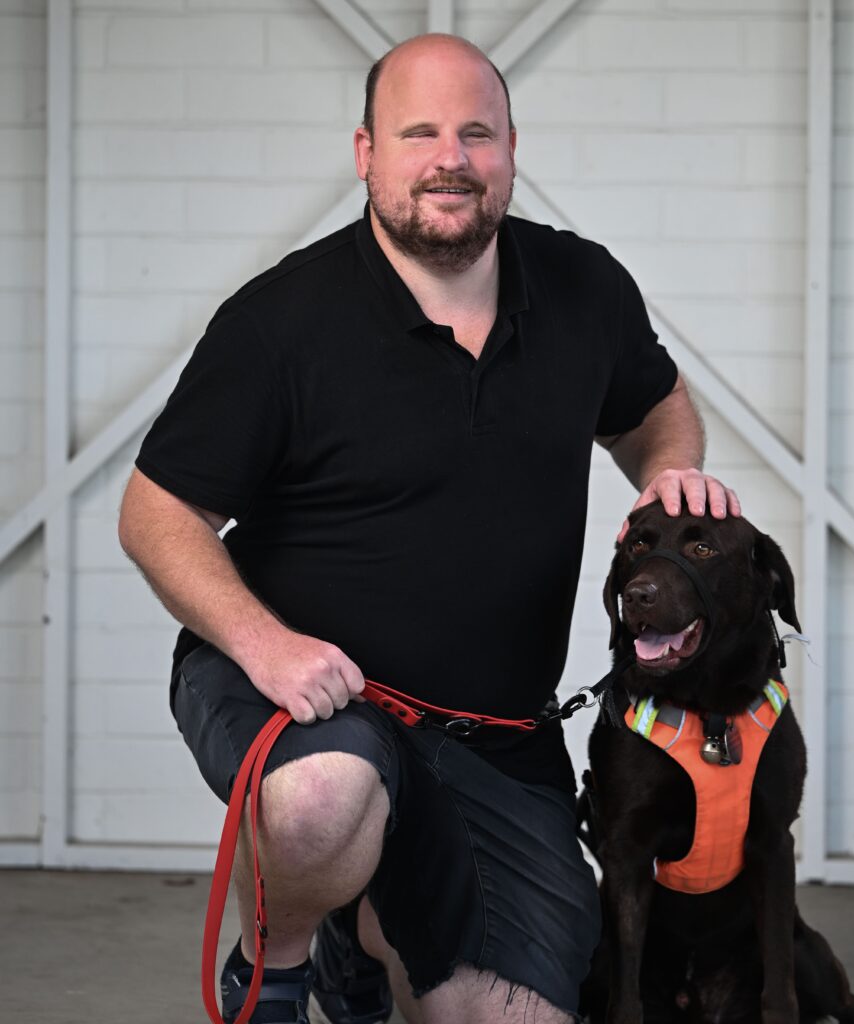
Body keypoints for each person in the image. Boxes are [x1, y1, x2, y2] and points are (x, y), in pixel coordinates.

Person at [118, 33, 739, 1024]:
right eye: (418, 132)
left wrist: (670, 478)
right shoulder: (282, 320)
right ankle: (272, 961)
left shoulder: (582, 288)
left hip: (492, 737)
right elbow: (156, 510)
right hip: (305, 691)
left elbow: (655, 408)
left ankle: (358, 933)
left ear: (509, 148)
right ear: (365, 151)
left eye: (474, 133)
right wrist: (262, 643)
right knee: (325, 792)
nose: (449, 157)